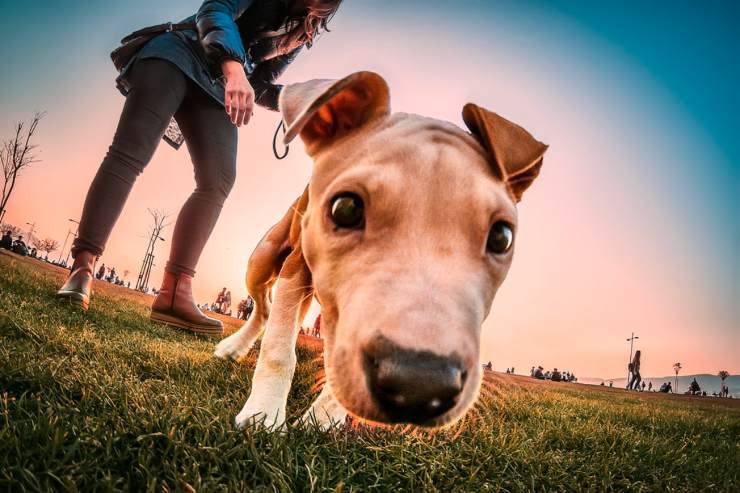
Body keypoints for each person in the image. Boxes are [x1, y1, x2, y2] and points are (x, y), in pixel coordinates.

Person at [56, 0, 345, 335]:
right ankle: (83, 267)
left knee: (219, 179)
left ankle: (175, 291)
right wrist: (234, 66)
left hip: (216, 84)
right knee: (130, 153)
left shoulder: (304, 27)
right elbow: (215, 9)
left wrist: (301, 99)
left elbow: (261, 84)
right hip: (178, 52)